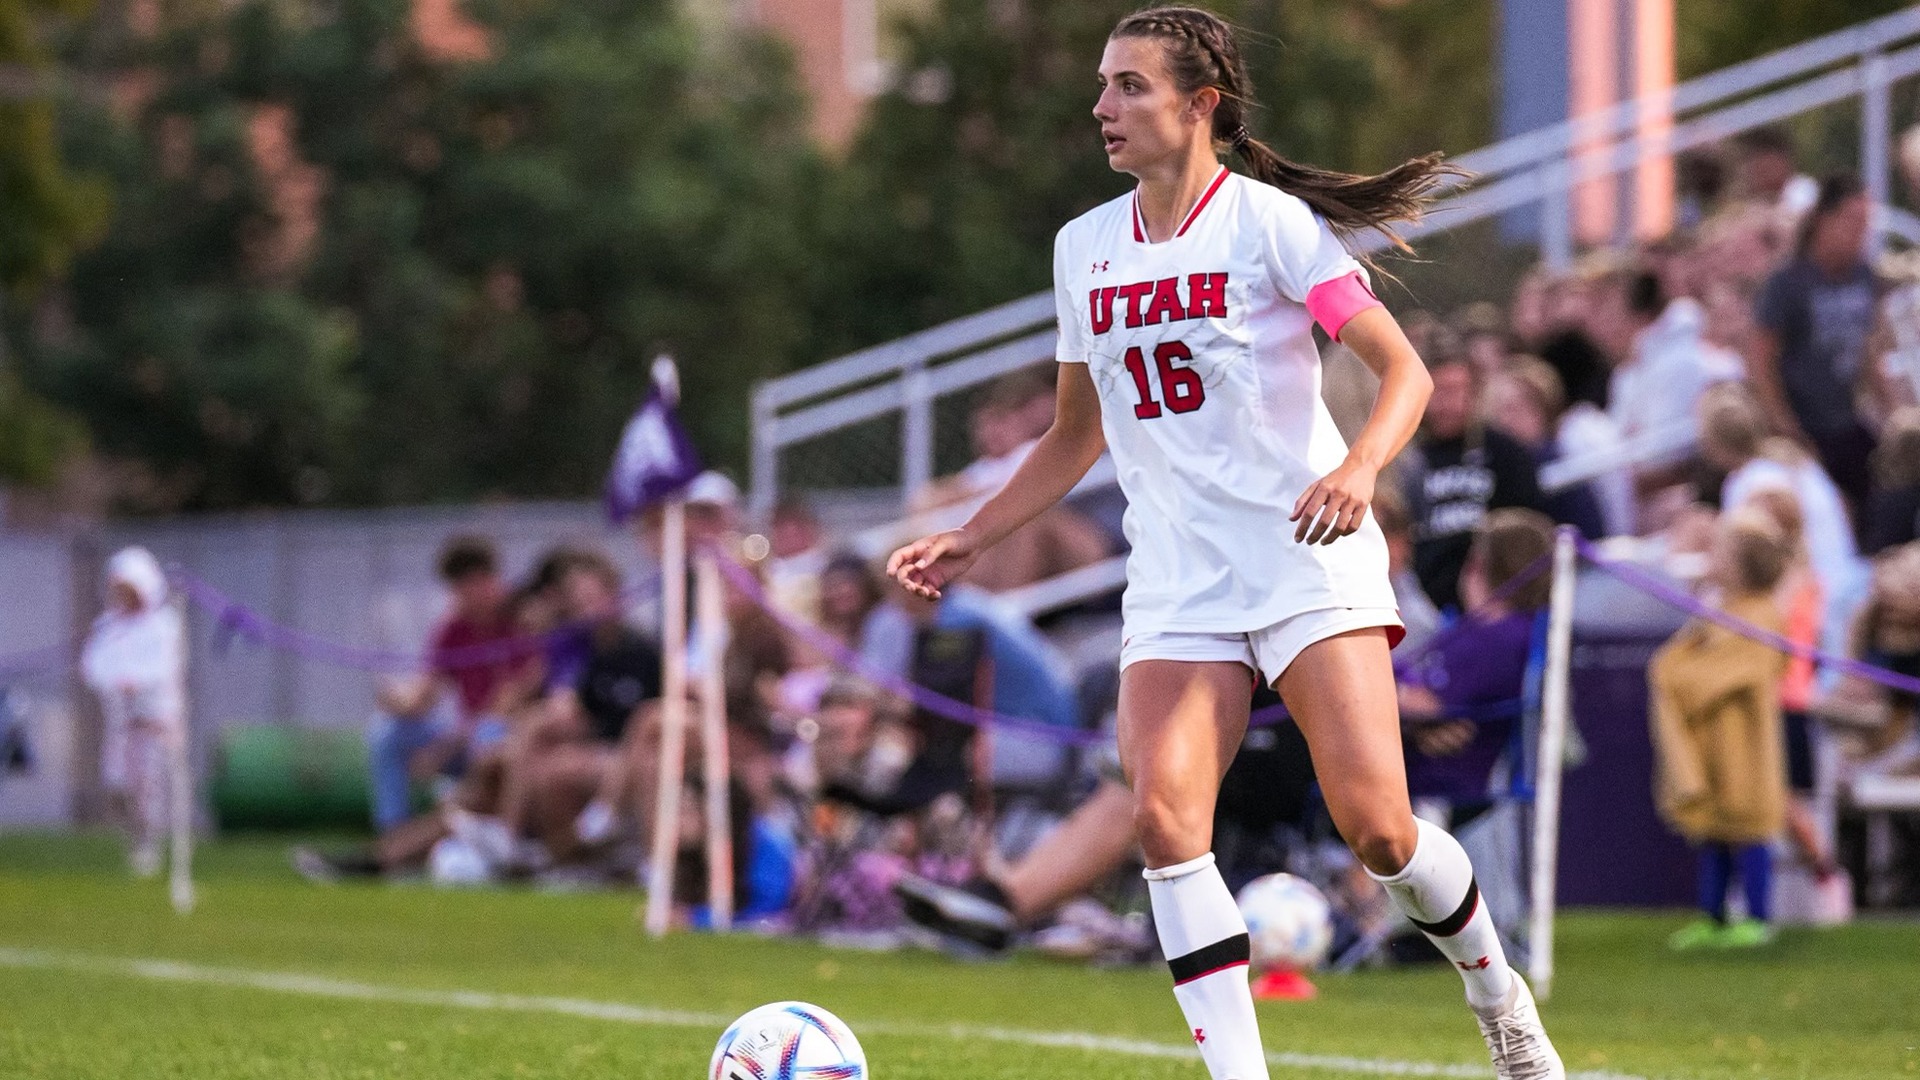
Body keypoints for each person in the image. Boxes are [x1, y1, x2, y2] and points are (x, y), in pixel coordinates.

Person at [884, 9, 1561, 1078]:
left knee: (1382, 833)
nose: (1102, 107)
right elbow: (1074, 434)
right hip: (1178, 580)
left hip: (1304, 557)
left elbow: (1406, 372)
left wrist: (1358, 469)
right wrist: (972, 536)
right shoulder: (1082, 248)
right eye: (1103, 84)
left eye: (1130, 86)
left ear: (1201, 105)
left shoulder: (1270, 225)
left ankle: (1498, 997)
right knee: (1164, 821)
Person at [1649, 508, 1793, 949]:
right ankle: (1712, 916)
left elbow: (1731, 670)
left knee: (1749, 831)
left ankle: (1757, 918)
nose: (1712, 558)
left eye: (1722, 552)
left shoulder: (1761, 614)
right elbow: (1680, 662)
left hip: (1744, 745)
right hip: (1711, 742)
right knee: (1713, 833)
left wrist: (1681, 677)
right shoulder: (1719, 610)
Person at [1747, 174, 1889, 515]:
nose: (1861, 232)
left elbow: (1869, 352)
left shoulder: (1863, 276)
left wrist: (1889, 412)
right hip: (1804, 428)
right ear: (1824, 220)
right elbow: (1761, 360)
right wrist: (1788, 431)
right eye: (1853, 221)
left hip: (1847, 423)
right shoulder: (1787, 282)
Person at [365, 535, 520, 836]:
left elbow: (505, 706)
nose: (456, 598)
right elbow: (425, 694)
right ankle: (394, 831)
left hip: (503, 735)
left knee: (490, 732)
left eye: (461, 588)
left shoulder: (520, 620)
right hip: (466, 739)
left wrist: (441, 751)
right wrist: (396, 700)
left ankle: (472, 833)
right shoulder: (453, 628)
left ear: (485, 581)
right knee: (386, 733)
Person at [80, 547, 188, 878]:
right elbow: (93, 665)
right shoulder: (108, 626)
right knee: (117, 782)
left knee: (149, 784)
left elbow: (163, 668)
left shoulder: (162, 625)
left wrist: (135, 682)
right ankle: (134, 834)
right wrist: (114, 680)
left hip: (154, 720)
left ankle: (147, 843)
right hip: (122, 722)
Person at [1409, 353, 1545, 612]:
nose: (1448, 403)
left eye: (1456, 390)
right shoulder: (1407, 457)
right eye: (1438, 391)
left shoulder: (1505, 452)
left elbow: (1527, 529)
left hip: (1499, 597)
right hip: (1424, 599)